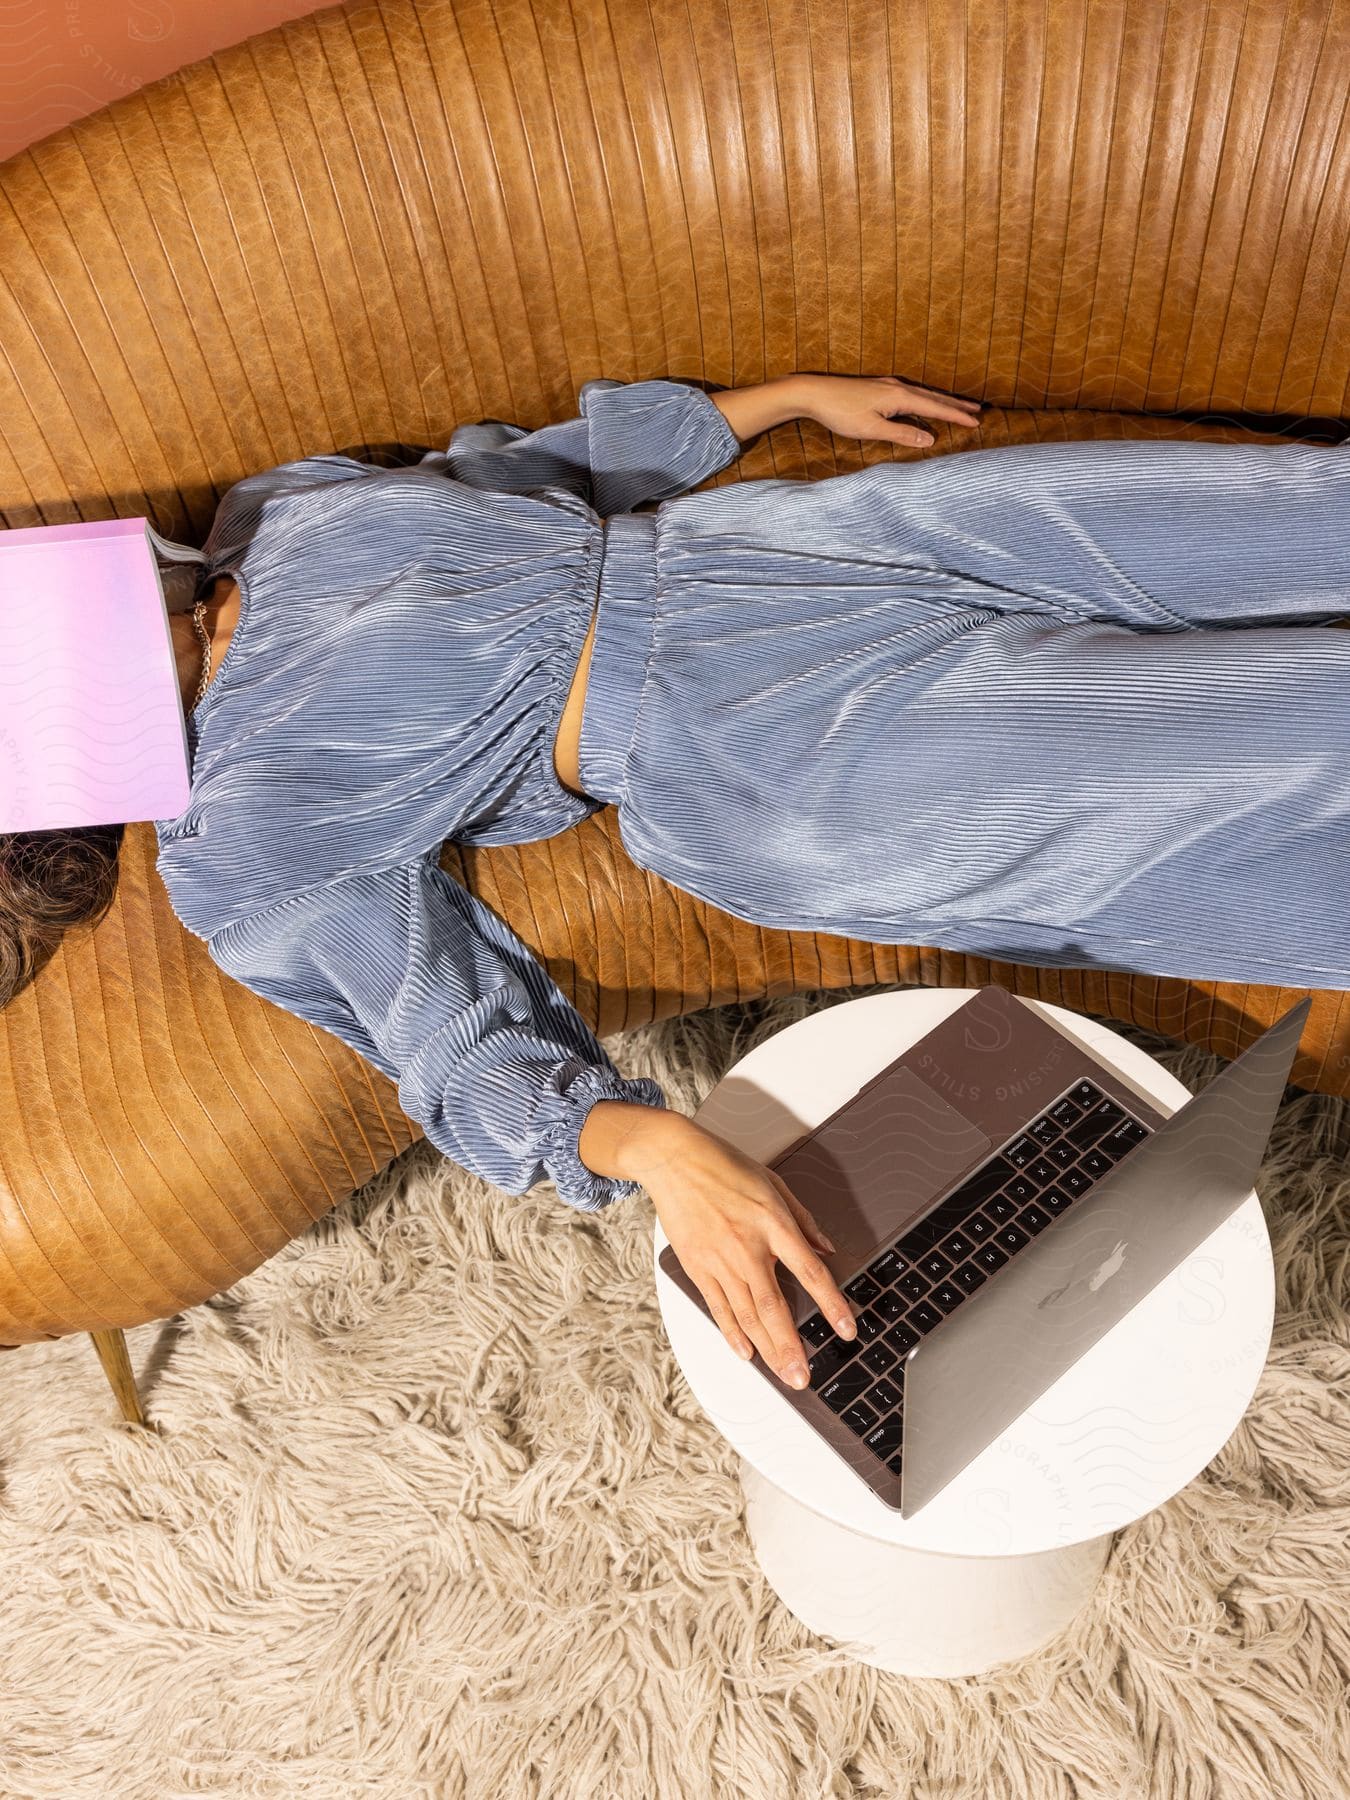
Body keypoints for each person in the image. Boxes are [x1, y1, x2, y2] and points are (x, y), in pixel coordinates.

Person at [6, 373, 1348, 1394]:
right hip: (776, 762)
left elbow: (521, 471)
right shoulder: (242, 843)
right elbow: (446, 1040)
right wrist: (651, 1149)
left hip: (795, 548)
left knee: (1294, 518)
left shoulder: (270, 514)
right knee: (1283, 735)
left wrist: (764, 401)